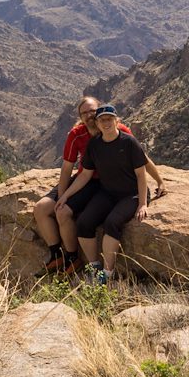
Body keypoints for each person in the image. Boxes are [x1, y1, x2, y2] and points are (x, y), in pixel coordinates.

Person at [34, 96, 164, 275]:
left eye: (92, 111)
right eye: (84, 113)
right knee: (51, 211)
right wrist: (63, 196)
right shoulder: (84, 138)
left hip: (112, 187)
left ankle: (96, 269)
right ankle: (62, 256)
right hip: (93, 184)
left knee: (103, 220)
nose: (89, 115)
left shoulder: (123, 134)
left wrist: (159, 181)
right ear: (81, 117)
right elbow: (71, 170)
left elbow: (141, 161)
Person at [56, 104, 152, 284]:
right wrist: (65, 195)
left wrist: (143, 203)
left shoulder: (129, 142)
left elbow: (141, 174)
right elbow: (85, 174)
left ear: (117, 121)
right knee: (84, 223)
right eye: (102, 120)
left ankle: (107, 274)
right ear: (97, 124)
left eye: (109, 119)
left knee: (111, 222)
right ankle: (94, 267)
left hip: (131, 194)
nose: (106, 123)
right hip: (108, 192)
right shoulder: (95, 145)